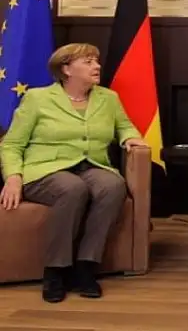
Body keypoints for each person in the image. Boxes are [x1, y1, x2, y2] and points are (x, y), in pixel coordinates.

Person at [0, 43, 147, 303]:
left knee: (113, 185)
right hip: (45, 169)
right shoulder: (37, 98)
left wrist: (130, 138)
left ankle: (86, 266)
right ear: (66, 69)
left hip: (91, 165)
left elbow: (124, 126)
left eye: (96, 61)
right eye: (88, 62)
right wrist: (13, 177)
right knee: (72, 188)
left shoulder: (108, 98)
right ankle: (55, 271)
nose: (97, 66)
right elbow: (12, 144)